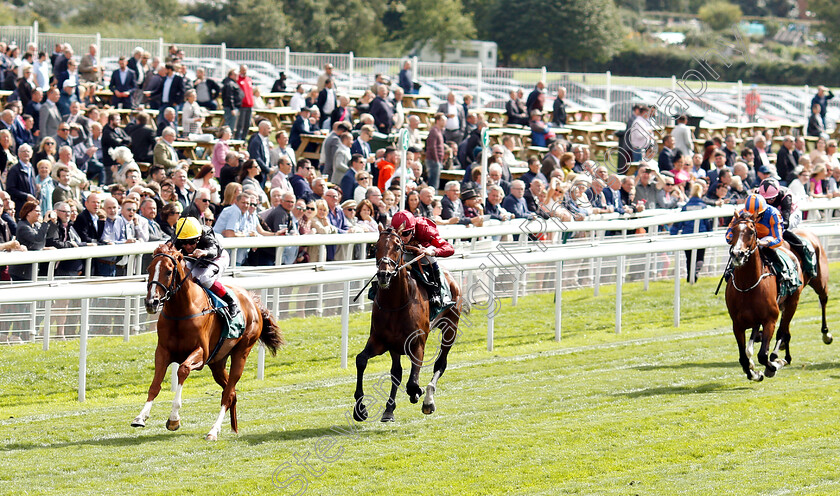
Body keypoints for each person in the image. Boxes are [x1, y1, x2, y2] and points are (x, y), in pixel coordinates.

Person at [387, 210, 456, 317]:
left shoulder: (425, 228)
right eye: (399, 234)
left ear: (413, 229)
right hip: (403, 251)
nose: (402, 238)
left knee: (430, 259)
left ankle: (437, 294)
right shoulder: (392, 231)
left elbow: (449, 249)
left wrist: (433, 252)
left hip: (424, 249)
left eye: (405, 233)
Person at [726, 194, 798, 288]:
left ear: (762, 212)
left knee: (765, 248)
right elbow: (728, 236)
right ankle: (729, 273)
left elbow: (779, 239)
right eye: (750, 215)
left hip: (766, 239)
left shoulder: (773, 214)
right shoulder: (740, 214)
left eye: (756, 216)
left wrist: (763, 243)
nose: (753, 219)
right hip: (747, 240)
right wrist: (737, 239)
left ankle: (783, 272)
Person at [172, 216, 239, 318]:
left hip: (215, 258)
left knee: (205, 279)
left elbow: (213, 250)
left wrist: (204, 252)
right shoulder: (178, 236)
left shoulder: (206, 233)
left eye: (192, 242)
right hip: (196, 261)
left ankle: (231, 303)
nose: (188, 246)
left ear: (199, 238)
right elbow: (167, 246)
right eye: (184, 243)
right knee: (188, 280)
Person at [670, 183, 711, 283]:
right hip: (701, 235)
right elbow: (708, 223)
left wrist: (673, 233)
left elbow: (679, 222)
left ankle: (690, 277)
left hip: (687, 235)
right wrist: (710, 233)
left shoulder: (686, 207)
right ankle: (695, 274)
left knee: (689, 258)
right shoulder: (703, 206)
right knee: (700, 258)